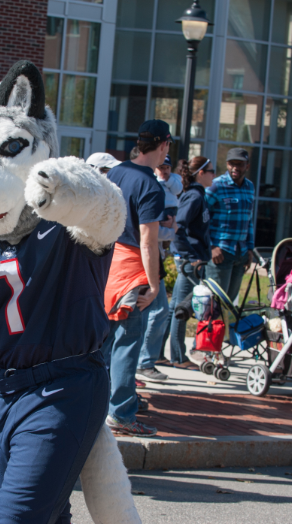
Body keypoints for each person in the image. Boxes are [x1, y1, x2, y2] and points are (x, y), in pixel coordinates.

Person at [102, 119, 170, 437]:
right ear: (163, 145)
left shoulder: (115, 173)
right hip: (132, 271)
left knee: (103, 344)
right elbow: (148, 241)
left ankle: (99, 405)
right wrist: (155, 285)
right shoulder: (151, 186)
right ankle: (121, 413)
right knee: (127, 345)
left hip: (107, 265)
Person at [165, 156, 216, 368]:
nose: (215, 174)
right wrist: (189, 256)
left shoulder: (198, 195)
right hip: (190, 262)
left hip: (193, 259)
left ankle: (158, 353)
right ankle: (178, 357)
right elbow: (178, 228)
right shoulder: (194, 197)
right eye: (212, 171)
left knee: (174, 308)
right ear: (201, 173)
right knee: (181, 309)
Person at [139, 155, 182, 376]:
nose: (164, 170)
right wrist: (171, 231)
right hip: (145, 257)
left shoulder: (169, 185)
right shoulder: (149, 186)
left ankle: (143, 362)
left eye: (167, 166)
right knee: (157, 311)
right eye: (160, 166)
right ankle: (144, 362)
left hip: (155, 255)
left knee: (154, 311)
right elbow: (148, 235)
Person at [205, 148, 256, 305]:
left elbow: (249, 220)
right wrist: (210, 246)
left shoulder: (249, 186)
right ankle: (211, 330)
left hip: (240, 253)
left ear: (247, 166)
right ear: (227, 164)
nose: (235, 168)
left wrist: (250, 248)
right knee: (214, 305)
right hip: (220, 252)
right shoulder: (216, 186)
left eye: (239, 164)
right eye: (231, 164)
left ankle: (226, 330)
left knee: (229, 305)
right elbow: (199, 217)